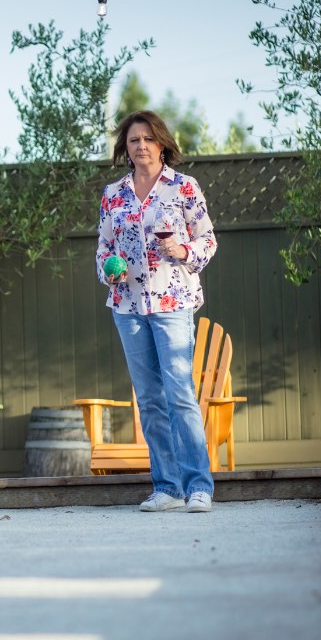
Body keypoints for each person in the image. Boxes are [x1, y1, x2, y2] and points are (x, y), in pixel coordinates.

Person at [96, 110, 218, 513]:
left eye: (148, 138)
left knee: (180, 394)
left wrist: (183, 251)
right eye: (134, 140)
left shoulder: (184, 188)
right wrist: (109, 272)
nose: (141, 145)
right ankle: (166, 487)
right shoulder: (114, 194)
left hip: (173, 302)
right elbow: (104, 250)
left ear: (162, 144)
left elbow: (207, 240)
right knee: (149, 399)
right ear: (125, 149)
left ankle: (198, 485)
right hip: (128, 306)